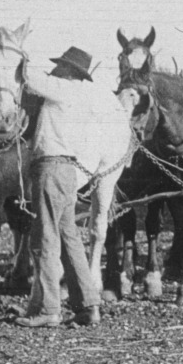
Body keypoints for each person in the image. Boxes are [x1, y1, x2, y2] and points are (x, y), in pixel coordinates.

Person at [18, 46, 119, 328]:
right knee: (70, 238)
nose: (56, 69)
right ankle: (88, 305)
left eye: (60, 65)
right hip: (68, 171)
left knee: (44, 239)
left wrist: (21, 57)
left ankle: (49, 309)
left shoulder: (62, 88)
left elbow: (29, 77)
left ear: (68, 70)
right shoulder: (84, 95)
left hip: (50, 168)